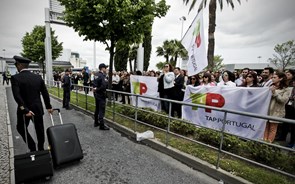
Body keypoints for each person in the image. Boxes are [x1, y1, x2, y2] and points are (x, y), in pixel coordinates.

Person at [11, 55, 53, 152]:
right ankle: (41, 149)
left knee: (21, 128)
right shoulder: (37, 77)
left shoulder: (15, 78)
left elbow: (17, 96)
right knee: (40, 130)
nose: (16, 67)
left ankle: (32, 146)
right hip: (37, 108)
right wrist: (48, 106)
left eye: (16, 65)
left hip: (24, 110)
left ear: (19, 65)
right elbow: (45, 93)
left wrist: (25, 110)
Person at [264, 72, 291, 143]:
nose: (272, 79)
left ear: (280, 78)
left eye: (274, 77)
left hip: (276, 111)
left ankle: (268, 144)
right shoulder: (270, 86)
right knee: (266, 127)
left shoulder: (287, 89)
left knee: (272, 128)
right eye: (272, 77)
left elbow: (283, 100)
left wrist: (274, 92)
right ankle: (263, 143)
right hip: (267, 110)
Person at [93, 63, 110, 130]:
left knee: (97, 109)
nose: (106, 69)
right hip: (101, 94)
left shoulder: (96, 74)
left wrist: (95, 89)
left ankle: (96, 122)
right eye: (105, 68)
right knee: (101, 110)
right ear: (102, 68)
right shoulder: (102, 76)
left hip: (96, 94)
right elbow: (103, 86)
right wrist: (97, 89)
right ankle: (102, 125)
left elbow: (94, 84)